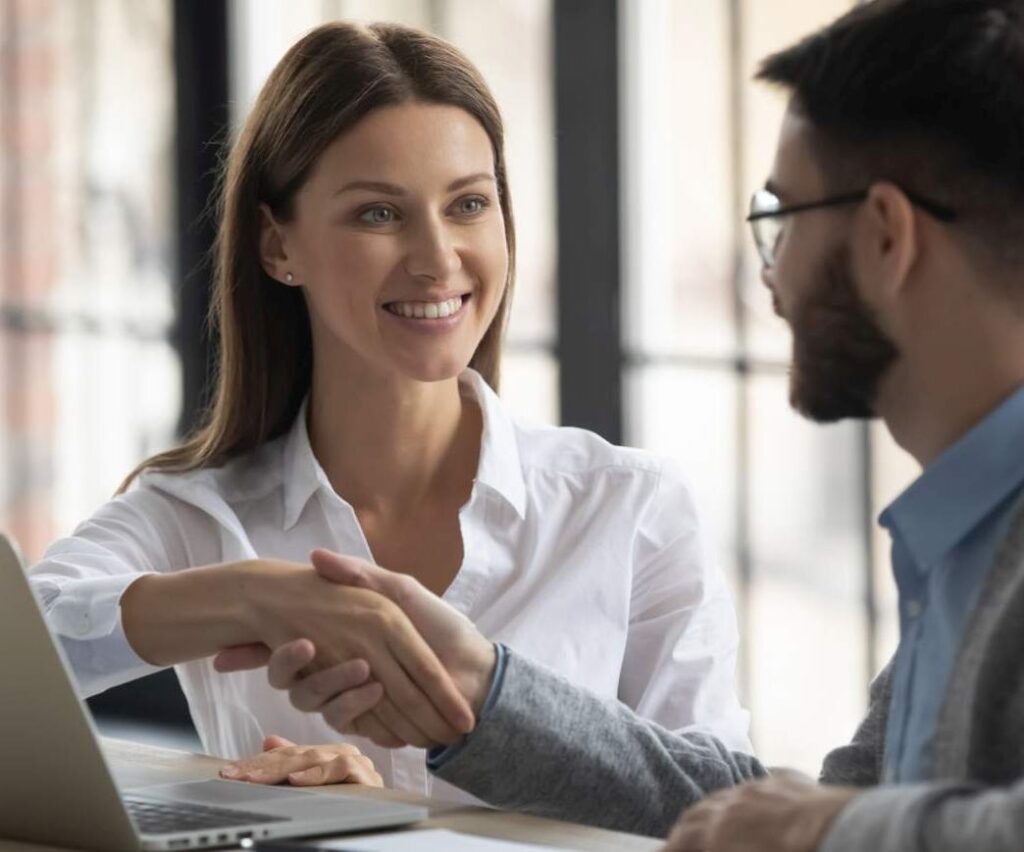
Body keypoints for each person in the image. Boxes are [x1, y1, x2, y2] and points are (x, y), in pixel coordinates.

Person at [221, 0, 1024, 848]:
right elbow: (772, 818)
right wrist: (483, 695)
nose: (771, 282)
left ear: (887, 237)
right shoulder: (960, 549)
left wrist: (830, 830)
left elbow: (820, 826)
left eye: (782, 222)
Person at [28, 21, 750, 801]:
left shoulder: (629, 508)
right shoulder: (196, 517)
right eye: (379, 214)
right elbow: (25, 638)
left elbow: (720, 810)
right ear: (278, 247)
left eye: (468, 204)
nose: (438, 258)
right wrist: (253, 596)